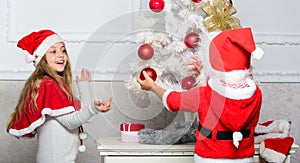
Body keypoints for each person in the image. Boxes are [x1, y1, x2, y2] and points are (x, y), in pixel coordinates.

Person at [138, 27, 263, 163]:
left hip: (210, 157)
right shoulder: (256, 94)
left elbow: (173, 101)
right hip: (243, 158)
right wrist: (203, 73)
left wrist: (153, 87)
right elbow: (228, 93)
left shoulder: (204, 94)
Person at [6, 29, 112, 163]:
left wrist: (84, 86)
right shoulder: (48, 85)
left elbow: (84, 119)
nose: (61, 55)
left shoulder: (57, 86)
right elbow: (70, 121)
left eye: (63, 50)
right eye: (53, 51)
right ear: (42, 58)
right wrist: (94, 108)